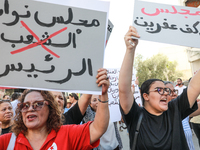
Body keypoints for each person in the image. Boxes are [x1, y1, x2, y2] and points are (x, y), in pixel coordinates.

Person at [119, 26, 199, 150]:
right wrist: (130, 49)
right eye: (159, 90)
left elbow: (194, 86)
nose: (165, 94)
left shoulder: (175, 109)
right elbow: (123, 89)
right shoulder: (135, 116)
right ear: (145, 96)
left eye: (166, 90)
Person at [0, 68, 110, 150]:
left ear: (50, 109)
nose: (30, 109)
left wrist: (103, 94)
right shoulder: (7, 142)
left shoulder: (66, 134)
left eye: (38, 104)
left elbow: (98, 129)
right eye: (25, 105)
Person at [165, 81, 195, 150]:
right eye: (169, 92)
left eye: (174, 91)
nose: (174, 94)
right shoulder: (162, 118)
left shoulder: (181, 111)